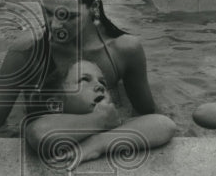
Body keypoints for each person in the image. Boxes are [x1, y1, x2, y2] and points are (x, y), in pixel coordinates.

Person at [0, 0, 157, 134]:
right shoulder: (26, 52)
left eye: (69, 16)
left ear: (94, 7)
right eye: (48, 13)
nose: (55, 25)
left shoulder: (123, 51)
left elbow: (147, 113)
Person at [26, 59, 175, 166]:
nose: (99, 86)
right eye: (84, 80)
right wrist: (99, 119)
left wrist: (98, 142)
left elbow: (164, 124)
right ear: (55, 104)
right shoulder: (103, 119)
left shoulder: (112, 123)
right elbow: (40, 134)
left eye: (103, 82)